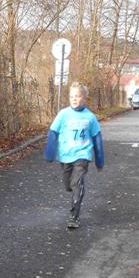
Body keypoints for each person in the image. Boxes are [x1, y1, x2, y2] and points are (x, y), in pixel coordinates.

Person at [45, 82, 104, 229]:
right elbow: (53, 132)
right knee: (68, 185)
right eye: (72, 96)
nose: (74, 99)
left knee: (76, 184)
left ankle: (74, 217)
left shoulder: (90, 117)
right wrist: (50, 153)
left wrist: (100, 161)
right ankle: (77, 188)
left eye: (77, 96)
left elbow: (97, 138)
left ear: (85, 98)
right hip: (66, 155)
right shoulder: (63, 114)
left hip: (82, 155)